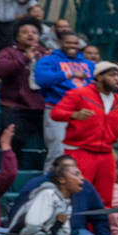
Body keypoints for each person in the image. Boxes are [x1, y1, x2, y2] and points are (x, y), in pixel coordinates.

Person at [50, 62, 118, 205]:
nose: (117, 78)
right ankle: (77, 227)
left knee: (105, 199)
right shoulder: (79, 94)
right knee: (79, 197)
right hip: (80, 152)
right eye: (112, 75)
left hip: (106, 155)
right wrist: (74, 115)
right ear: (99, 77)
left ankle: (100, 227)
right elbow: (56, 113)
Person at [34, 32, 94, 162]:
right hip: (57, 109)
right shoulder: (49, 60)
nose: (72, 46)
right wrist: (69, 74)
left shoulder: (89, 64)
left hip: (83, 113)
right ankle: (51, 181)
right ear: (60, 43)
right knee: (57, 153)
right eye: (68, 42)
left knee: (82, 154)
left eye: (75, 43)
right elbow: (41, 79)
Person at [0, 21, 44, 154]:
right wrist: (24, 58)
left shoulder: (45, 54)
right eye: (25, 32)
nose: (30, 34)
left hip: (40, 106)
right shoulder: (8, 52)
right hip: (15, 107)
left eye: (34, 32)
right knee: (15, 139)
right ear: (17, 36)